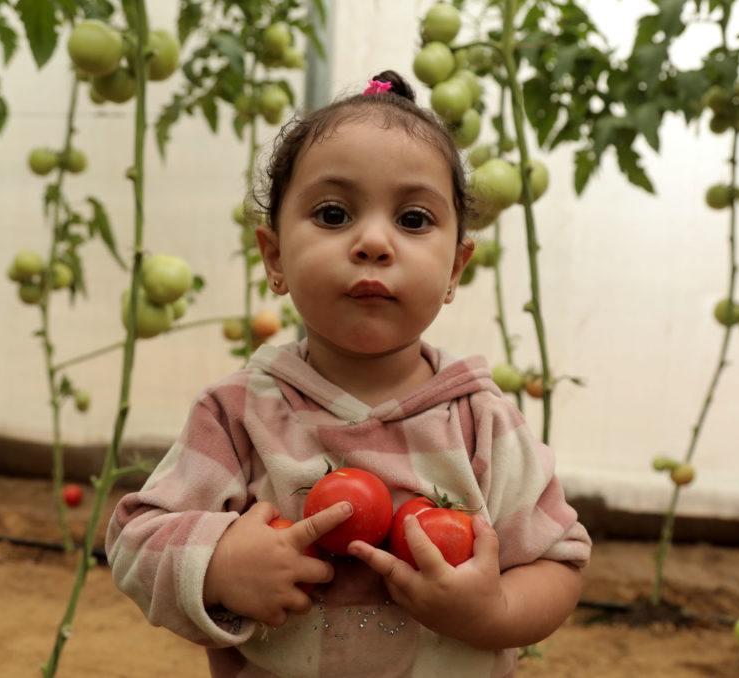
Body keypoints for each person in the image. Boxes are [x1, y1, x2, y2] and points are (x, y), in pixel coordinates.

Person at [106, 69, 591, 678]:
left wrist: (490, 612)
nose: (373, 242)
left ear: (455, 271)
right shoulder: (237, 414)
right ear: (275, 257)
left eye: (413, 220)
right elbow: (133, 540)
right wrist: (220, 563)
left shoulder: (483, 421)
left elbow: (557, 562)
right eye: (334, 213)